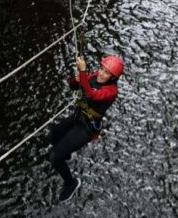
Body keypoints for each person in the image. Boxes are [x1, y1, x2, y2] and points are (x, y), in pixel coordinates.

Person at [48, 54, 124, 201]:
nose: (101, 74)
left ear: (113, 78)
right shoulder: (95, 76)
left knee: (55, 158)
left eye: (106, 73)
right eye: (101, 69)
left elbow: (90, 94)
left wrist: (82, 72)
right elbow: (76, 86)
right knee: (52, 137)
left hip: (87, 128)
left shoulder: (111, 91)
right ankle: (66, 153)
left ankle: (71, 184)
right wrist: (75, 80)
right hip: (78, 116)